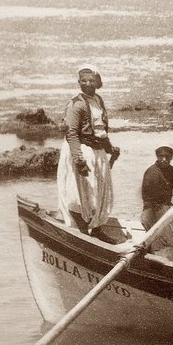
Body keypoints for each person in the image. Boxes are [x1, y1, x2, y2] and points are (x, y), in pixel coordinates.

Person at [57, 67, 120, 235]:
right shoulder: (75, 104)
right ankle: (83, 231)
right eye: (84, 80)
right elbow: (71, 133)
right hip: (82, 150)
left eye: (92, 80)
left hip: (97, 151)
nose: (88, 84)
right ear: (79, 83)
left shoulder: (98, 100)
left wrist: (110, 148)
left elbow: (101, 130)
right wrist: (79, 159)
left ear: (97, 82)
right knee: (80, 194)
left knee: (100, 193)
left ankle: (97, 229)